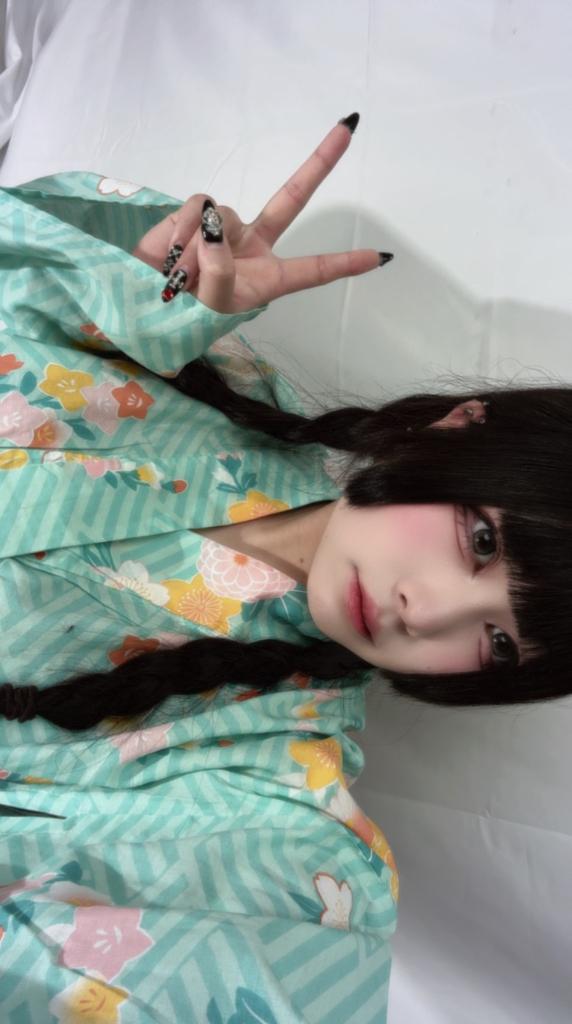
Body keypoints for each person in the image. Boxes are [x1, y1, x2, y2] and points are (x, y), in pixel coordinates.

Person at [0, 112, 568, 1021]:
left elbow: (270, 954)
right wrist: (124, 285)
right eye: (481, 542)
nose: (427, 613)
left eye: (498, 643)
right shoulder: (201, 363)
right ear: (459, 426)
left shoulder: (281, 775)